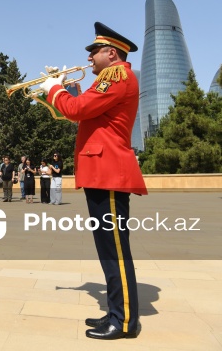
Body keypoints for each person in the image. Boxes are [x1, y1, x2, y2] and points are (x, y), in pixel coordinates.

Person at [40, 22, 147, 340]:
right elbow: (78, 110)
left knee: (114, 249)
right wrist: (59, 88)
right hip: (102, 171)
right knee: (108, 249)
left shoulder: (118, 76)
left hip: (109, 172)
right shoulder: (106, 81)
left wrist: (54, 88)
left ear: (111, 53)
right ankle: (117, 312)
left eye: (94, 52)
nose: (89, 58)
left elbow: (76, 109)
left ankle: (125, 321)